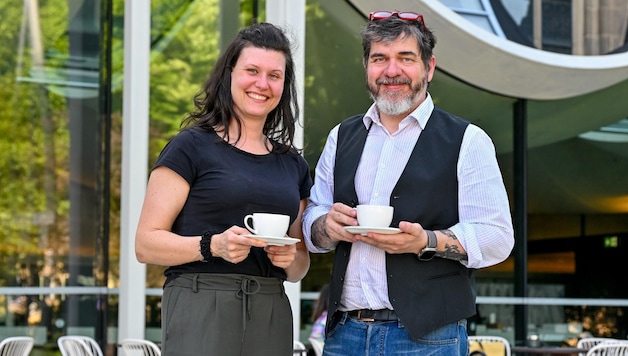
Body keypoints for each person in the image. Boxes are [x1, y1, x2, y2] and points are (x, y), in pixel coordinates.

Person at [302, 10, 514, 355]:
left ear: (429, 67)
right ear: (366, 67)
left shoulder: (468, 140)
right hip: (345, 335)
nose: (391, 71)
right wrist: (327, 225)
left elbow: (497, 237)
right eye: (379, 59)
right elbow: (312, 221)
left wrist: (426, 241)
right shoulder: (341, 137)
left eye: (405, 58)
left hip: (428, 339)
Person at [135, 22, 312, 356]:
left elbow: (300, 265)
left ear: (284, 85)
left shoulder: (293, 165)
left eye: (274, 75)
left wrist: (289, 259)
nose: (262, 84)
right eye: (252, 70)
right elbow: (145, 245)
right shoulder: (191, 147)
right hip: (200, 303)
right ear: (230, 73)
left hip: (271, 309)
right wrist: (212, 245)